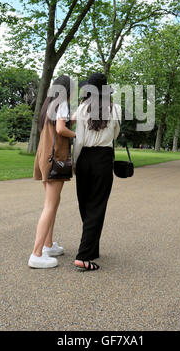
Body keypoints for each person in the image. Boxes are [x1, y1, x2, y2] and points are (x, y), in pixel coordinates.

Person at [73, 72, 121, 271]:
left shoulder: (83, 108)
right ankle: (86, 253)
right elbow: (116, 134)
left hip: (85, 158)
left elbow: (79, 140)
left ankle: (89, 250)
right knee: (97, 205)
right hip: (103, 158)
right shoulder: (115, 108)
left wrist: (75, 163)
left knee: (85, 204)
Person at [29, 75, 76, 269]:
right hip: (55, 158)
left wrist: (73, 118)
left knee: (53, 202)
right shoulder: (62, 103)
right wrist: (77, 134)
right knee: (50, 205)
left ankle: (48, 245)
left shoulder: (50, 105)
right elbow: (60, 129)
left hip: (44, 157)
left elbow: (57, 123)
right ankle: (36, 253)